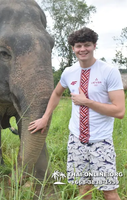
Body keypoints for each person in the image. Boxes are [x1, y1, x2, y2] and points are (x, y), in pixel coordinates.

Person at [28, 27, 125, 200]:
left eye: (87, 45)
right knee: (83, 190)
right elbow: (57, 93)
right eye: (78, 46)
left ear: (94, 45)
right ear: (73, 48)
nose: (83, 49)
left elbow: (119, 111)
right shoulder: (69, 72)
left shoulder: (109, 72)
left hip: (100, 143)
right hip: (76, 142)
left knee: (109, 193)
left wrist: (87, 102)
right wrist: (45, 117)